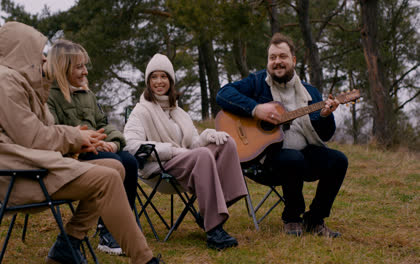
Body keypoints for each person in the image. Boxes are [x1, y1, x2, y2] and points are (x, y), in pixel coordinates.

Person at [0, 21, 162, 264]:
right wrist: (75, 137)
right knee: (108, 178)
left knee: (115, 167)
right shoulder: (5, 83)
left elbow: (41, 130)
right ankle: (144, 259)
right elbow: (33, 138)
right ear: (23, 51)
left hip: (31, 168)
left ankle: (68, 243)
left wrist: (79, 140)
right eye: (38, 52)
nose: (43, 59)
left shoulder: (17, 81)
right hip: (18, 178)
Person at [216, 33, 348, 238]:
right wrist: (255, 109)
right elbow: (223, 94)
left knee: (338, 160)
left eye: (282, 56)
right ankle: (292, 217)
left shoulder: (310, 93)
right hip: (265, 162)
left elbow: (326, 135)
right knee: (292, 158)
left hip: (305, 158)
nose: (277, 62)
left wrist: (324, 115)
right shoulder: (258, 83)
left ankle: (315, 220)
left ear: (293, 60)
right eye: (272, 57)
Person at [124, 53, 248, 250]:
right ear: (148, 81)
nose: (159, 81)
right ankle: (214, 231)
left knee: (226, 143)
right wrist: (171, 151)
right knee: (204, 155)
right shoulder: (141, 111)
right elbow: (130, 145)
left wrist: (207, 136)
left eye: (164, 76)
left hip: (187, 162)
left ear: (171, 81)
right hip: (159, 168)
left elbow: (191, 146)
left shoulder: (178, 111)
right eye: (154, 77)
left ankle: (211, 210)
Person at [45, 39, 138, 256]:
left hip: (99, 148)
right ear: (62, 67)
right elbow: (55, 133)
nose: (85, 71)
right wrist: (90, 142)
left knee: (130, 162)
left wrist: (114, 142)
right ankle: (107, 232)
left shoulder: (87, 94)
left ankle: (121, 227)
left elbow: (103, 123)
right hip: (74, 156)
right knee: (114, 163)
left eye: (85, 66)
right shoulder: (49, 97)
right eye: (79, 67)